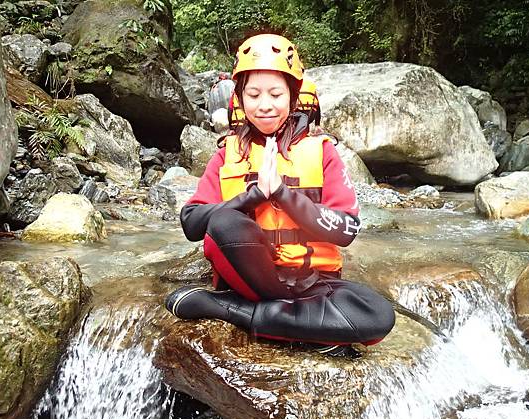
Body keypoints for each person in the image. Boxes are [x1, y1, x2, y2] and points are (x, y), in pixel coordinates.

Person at [165, 34, 395, 356]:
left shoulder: (322, 152)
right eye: (254, 94)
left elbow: (347, 230)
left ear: (292, 95)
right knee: (225, 222)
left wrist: (284, 195)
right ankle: (305, 326)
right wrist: (254, 196)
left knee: (378, 315)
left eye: (275, 93)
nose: (265, 105)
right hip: (248, 276)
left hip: (310, 283)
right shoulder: (226, 154)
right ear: (241, 99)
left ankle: (232, 310)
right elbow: (191, 223)